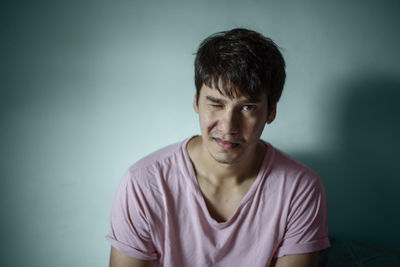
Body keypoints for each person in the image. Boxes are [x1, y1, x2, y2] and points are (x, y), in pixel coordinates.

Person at [106, 28, 330, 267]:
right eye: (215, 103)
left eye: (247, 108)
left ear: (271, 112)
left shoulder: (300, 188)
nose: (228, 126)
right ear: (196, 102)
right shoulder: (143, 183)